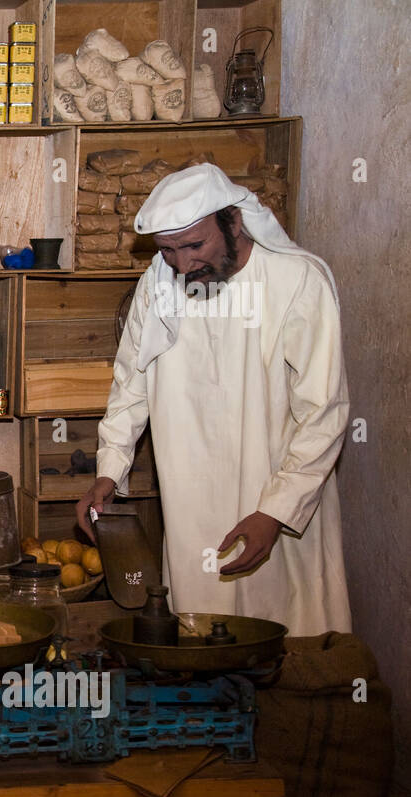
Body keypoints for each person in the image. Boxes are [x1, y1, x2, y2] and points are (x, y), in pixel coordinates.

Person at [76, 163, 352, 635]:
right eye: (167, 250)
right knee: (202, 638)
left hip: (277, 502)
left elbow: (324, 412)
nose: (182, 265)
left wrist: (276, 512)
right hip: (192, 505)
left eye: (193, 245)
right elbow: (130, 385)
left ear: (234, 222)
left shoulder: (295, 282)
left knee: (287, 640)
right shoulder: (157, 286)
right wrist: (110, 469)